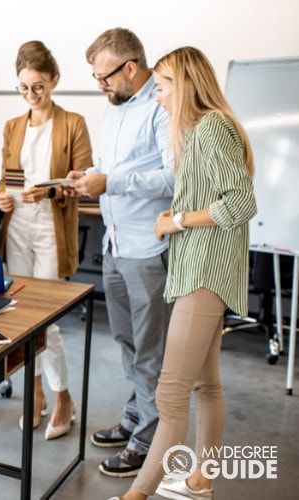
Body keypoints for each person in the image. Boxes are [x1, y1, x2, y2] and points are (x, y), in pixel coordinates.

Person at [108, 46, 257, 500]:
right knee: (204, 384)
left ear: (186, 84)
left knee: (170, 396)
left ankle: (136, 496)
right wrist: (180, 214)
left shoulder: (211, 129)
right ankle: (201, 480)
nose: (159, 96)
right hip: (204, 271)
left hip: (204, 275)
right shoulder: (203, 131)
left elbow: (241, 203)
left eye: (164, 86)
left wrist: (178, 220)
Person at [66, 27, 175, 477]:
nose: (100, 85)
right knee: (127, 343)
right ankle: (136, 419)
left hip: (148, 246)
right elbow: (112, 168)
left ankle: (148, 442)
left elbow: (173, 178)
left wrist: (110, 182)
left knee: (150, 351)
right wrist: (88, 176)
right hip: (115, 241)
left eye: (104, 76)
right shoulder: (112, 109)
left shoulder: (164, 107)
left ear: (130, 67)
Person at [0, 41, 92, 440]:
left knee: (45, 320)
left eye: (38, 87)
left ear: (54, 81)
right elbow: (8, 177)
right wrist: (1, 193)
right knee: (21, 317)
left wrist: (48, 192)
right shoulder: (13, 126)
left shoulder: (73, 123)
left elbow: (82, 182)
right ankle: (33, 395)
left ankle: (63, 396)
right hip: (17, 226)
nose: (31, 96)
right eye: (23, 88)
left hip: (50, 230)